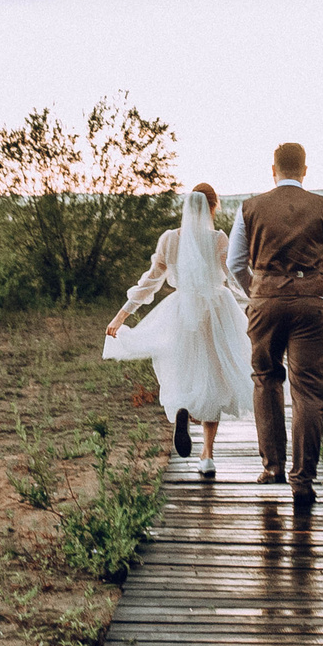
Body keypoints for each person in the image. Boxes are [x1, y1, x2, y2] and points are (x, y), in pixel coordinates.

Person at [225, 142, 323, 508]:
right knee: (309, 393)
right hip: (312, 305)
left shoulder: (249, 207)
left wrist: (257, 291)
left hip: (265, 305)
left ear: (273, 170)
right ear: (304, 170)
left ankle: (272, 467)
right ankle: (303, 480)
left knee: (266, 380)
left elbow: (235, 263)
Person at [102, 184, 252, 476]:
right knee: (215, 378)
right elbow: (235, 277)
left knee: (184, 369)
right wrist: (259, 298)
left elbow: (150, 281)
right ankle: (207, 456)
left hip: (181, 311)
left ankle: (183, 409)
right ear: (212, 207)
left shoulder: (170, 239)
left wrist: (122, 315)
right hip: (216, 311)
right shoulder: (218, 239)